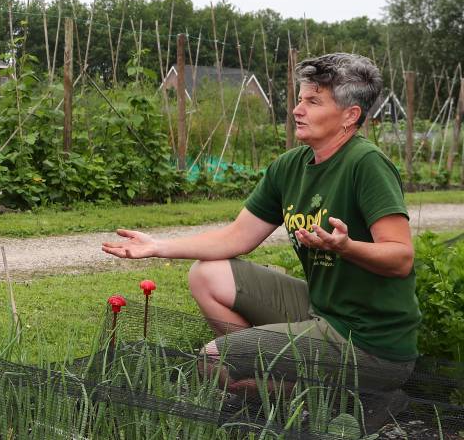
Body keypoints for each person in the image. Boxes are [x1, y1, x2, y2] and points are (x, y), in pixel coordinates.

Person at [103, 53, 419, 395]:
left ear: (350, 115)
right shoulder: (289, 167)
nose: (298, 110)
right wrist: (158, 247)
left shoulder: (366, 164)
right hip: (322, 310)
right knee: (206, 274)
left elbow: (400, 259)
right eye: (300, 99)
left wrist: (346, 246)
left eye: (313, 102)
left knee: (213, 362)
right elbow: (237, 236)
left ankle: (347, 398)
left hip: (369, 343)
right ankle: (271, 364)